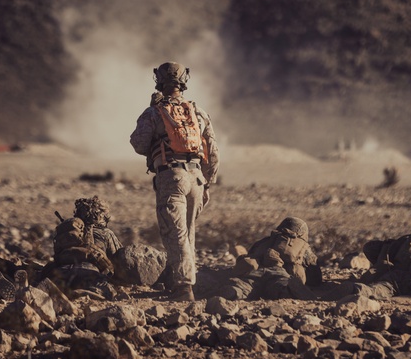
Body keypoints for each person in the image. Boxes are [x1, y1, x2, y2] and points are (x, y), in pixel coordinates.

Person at [130, 61, 220, 301]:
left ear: (159, 81)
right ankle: (182, 282)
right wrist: (207, 182)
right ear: (184, 82)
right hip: (196, 178)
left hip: (172, 177)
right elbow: (212, 150)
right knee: (188, 233)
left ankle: (183, 287)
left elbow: (138, 144)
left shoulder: (153, 112)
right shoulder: (198, 112)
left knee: (175, 233)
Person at [35, 196, 120, 299]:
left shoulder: (70, 230)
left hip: (60, 272)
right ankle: (81, 294)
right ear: (101, 216)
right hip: (90, 273)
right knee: (108, 292)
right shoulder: (106, 233)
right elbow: (118, 263)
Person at [222, 217, 320, 300]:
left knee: (246, 286)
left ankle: (236, 291)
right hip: (279, 274)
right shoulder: (302, 246)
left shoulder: (263, 241)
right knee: (280, 288)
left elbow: (250, 254)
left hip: (256, 272)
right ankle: (287, 291)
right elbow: (315, 277)